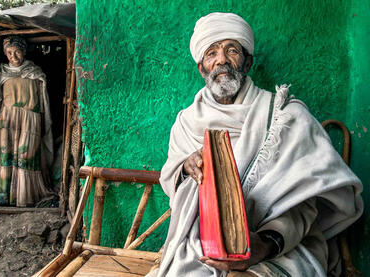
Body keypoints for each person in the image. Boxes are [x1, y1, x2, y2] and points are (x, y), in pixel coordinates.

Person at [150, 12, 363, 277]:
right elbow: (171, 178)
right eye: (211, 53)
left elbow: (306, 205)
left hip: (281, 246)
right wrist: (186, 167)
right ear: (202, 68)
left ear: (247, 62)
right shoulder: (186, 122)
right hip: (202, 244)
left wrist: (264, 245)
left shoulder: (286, 116)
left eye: (232, 51)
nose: (222, 60)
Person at [0, 36, 54, 207]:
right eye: (9, 53)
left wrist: (42, 119)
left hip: (30, 120)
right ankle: (5, 196)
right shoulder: (1, 73)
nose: (13, 56)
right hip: (8, 121)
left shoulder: (35, 73)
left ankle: (24, 197)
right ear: (5, 54)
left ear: (24, 51)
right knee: (7, 155)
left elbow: (43, 100)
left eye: (17, 52)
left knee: (26, 155)